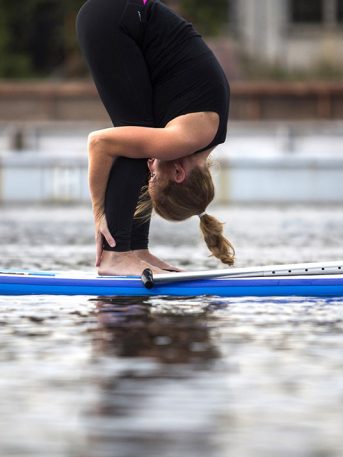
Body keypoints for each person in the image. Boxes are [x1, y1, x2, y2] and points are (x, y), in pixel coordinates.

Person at [77, 0, 235, 276]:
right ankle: (116, 255)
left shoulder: (204, 135)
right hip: (114, 19)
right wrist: (99, 212)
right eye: (154, 177)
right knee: (135, 140)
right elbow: (99, 143)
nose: (151, 169)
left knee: (140, 138)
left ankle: (135, 250)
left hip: (117, 16)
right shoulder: (186, 138)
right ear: (178, 173)